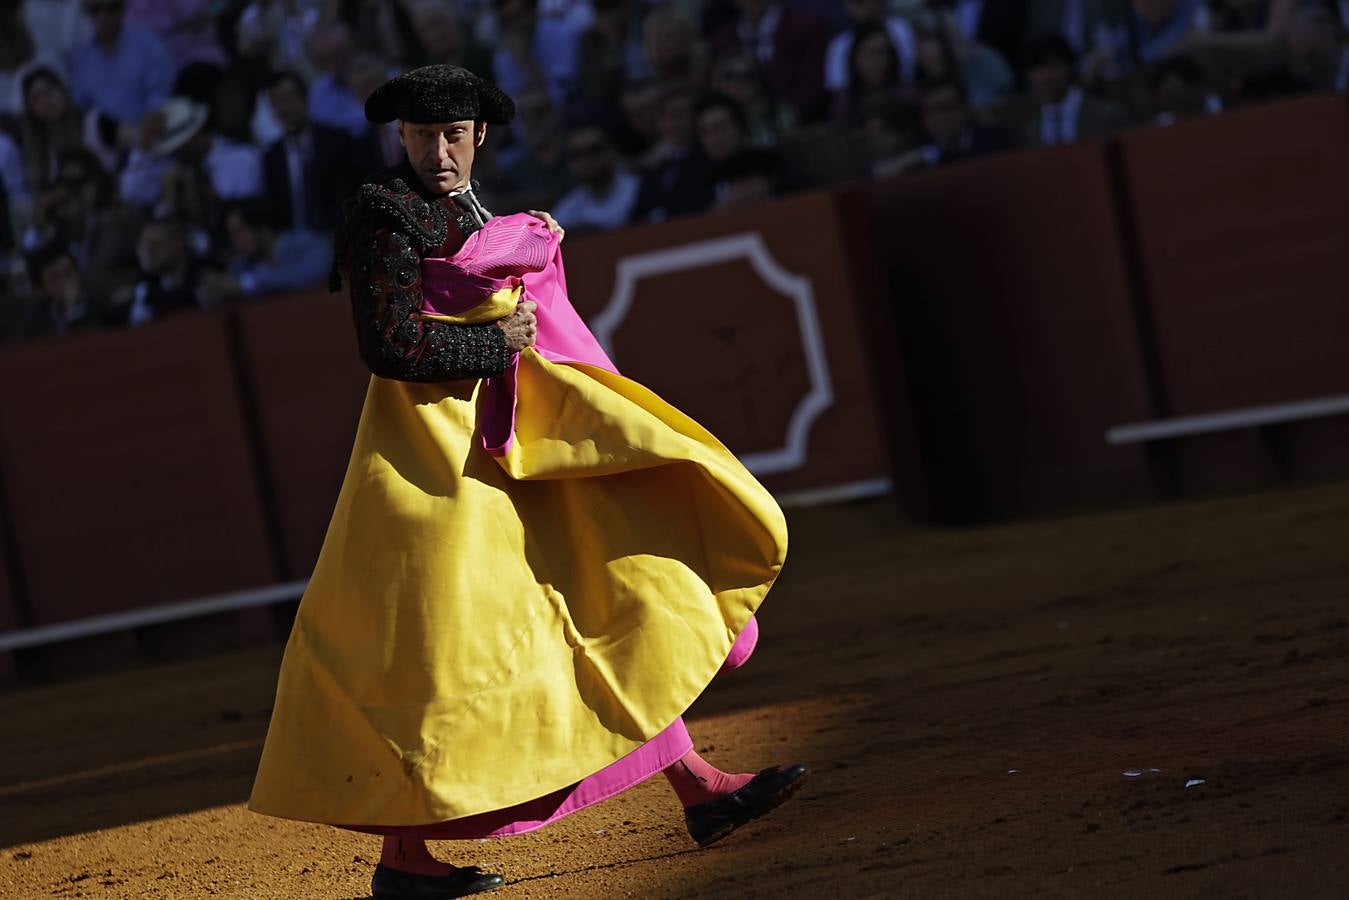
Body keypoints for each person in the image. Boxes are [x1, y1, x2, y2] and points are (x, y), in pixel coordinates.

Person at [248, 64, 804, 900]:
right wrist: (497, 342)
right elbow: (390, 346)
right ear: (399, 136)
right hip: (430, 468)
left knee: (589, 600)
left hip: (503, 450)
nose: (439, 150)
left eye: (454, 135)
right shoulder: (382, 217)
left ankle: (695, 790)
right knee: (445, 656)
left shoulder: (475, 208)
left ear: (477, 136)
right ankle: (404, 862)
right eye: (423, 135)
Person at [262, 70, 379, 233]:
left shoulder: (338, 142)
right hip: (291, 240)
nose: (284, 108)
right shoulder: (272, 157)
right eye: (276, 102)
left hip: (335, 234)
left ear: (304, 99)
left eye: (288, 99)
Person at [1020, 33, 1131, 147]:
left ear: (1068, 68)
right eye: (1038, 68)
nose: (1046, 75)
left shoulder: (1107, 116)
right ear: (1029, 75)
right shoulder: (1032, 130)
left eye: (1053, 65)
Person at [551, 122, 640, 233]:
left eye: (594, 150)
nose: (586, 160)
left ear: (612, 151)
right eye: (577, 154)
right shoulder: (569, 204)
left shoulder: (638, 190)